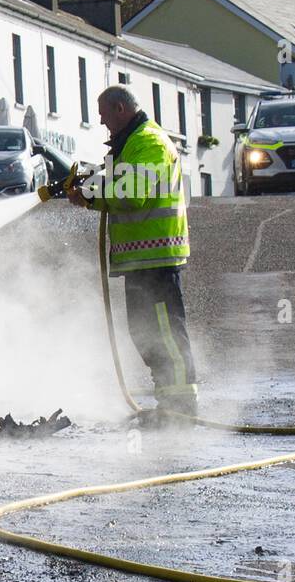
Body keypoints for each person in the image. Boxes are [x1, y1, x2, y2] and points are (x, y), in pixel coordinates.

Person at [68, 85, 198, 423]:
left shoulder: (149, 142)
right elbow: (120, 180)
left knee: (165, 333)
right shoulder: (132, 145)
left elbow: (134, 193)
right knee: (146, 332)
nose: (103, 125)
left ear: (121, 109)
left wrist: (90, 198)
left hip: (156, 257)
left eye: (105, 117)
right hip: (141, 260)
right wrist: (88, 183)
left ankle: (181, 409)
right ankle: (168, 404)